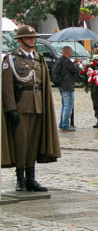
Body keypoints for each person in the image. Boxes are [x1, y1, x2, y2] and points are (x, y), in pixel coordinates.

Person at [2, 25, 60, 191]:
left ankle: (31, 178)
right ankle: (20, 178)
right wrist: (11, 108)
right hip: (21, 106)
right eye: (28, 37)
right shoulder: (11, 60)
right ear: (20, 40)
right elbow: (6, 87)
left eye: (33, 37)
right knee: (21, 143)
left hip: (38, 105)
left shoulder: (39, 59)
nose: (32, 39)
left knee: (34, 143)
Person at [56, 45, 81, 132]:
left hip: (61, 85)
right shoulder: (67, 61)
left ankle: (62, 123)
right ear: (68, 52)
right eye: (70, 52)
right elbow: (76, 71)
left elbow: (67, 69)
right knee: (68, 106)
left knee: (64, 105)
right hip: (67, 86)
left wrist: (73, 64)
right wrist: (77, 65)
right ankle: (65, 125)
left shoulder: (60, 60)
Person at [84, 46, 98, 128]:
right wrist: (86, 84)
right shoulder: (90, 60)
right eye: (96, 47)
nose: (97, 49)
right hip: (94, 85)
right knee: (96, 102)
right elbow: (86, 72)